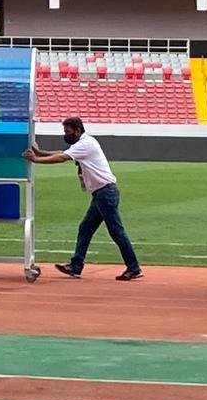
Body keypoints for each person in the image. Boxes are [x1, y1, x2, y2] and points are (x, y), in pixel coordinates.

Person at [23, 117, 142, 281]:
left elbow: (62, 158)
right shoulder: (83, 143)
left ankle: (133, 267)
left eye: (68, 132)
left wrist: (36, 159)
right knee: (85, 228)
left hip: (105, 193)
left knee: (116, 231)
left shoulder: (86, 144)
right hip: (101, 193)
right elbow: (62, 153)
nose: (66, 135)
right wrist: (40, 153)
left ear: (78, 130)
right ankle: (76, 266)